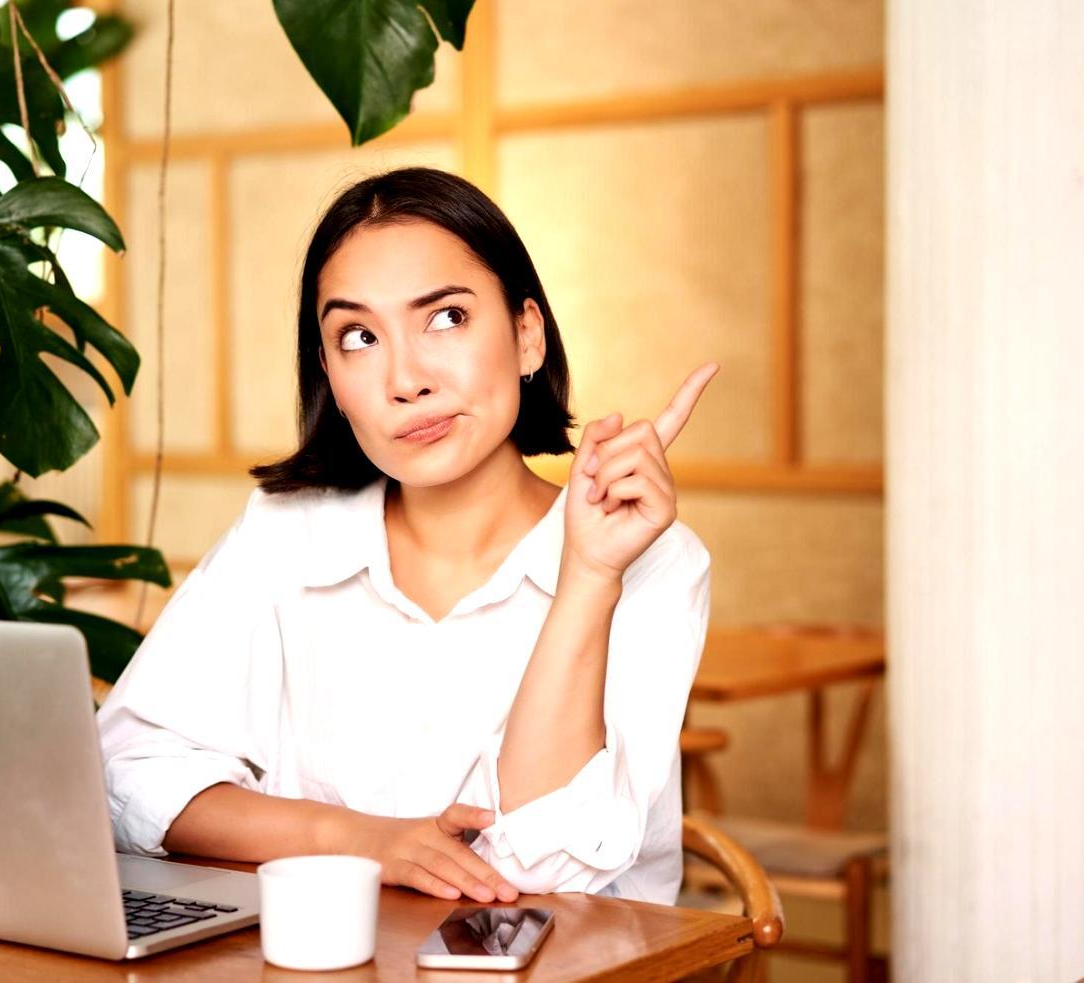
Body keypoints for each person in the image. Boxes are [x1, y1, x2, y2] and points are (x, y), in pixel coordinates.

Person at [96, 166, 717, 906]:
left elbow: (541, 863)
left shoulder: (651, 560)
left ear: (528, 336)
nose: (406, 378)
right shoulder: (285, 530)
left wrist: (587, 575)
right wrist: (363, 839)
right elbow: (129, 769)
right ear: (327, 370)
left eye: (446, 317)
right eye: (358, 336)